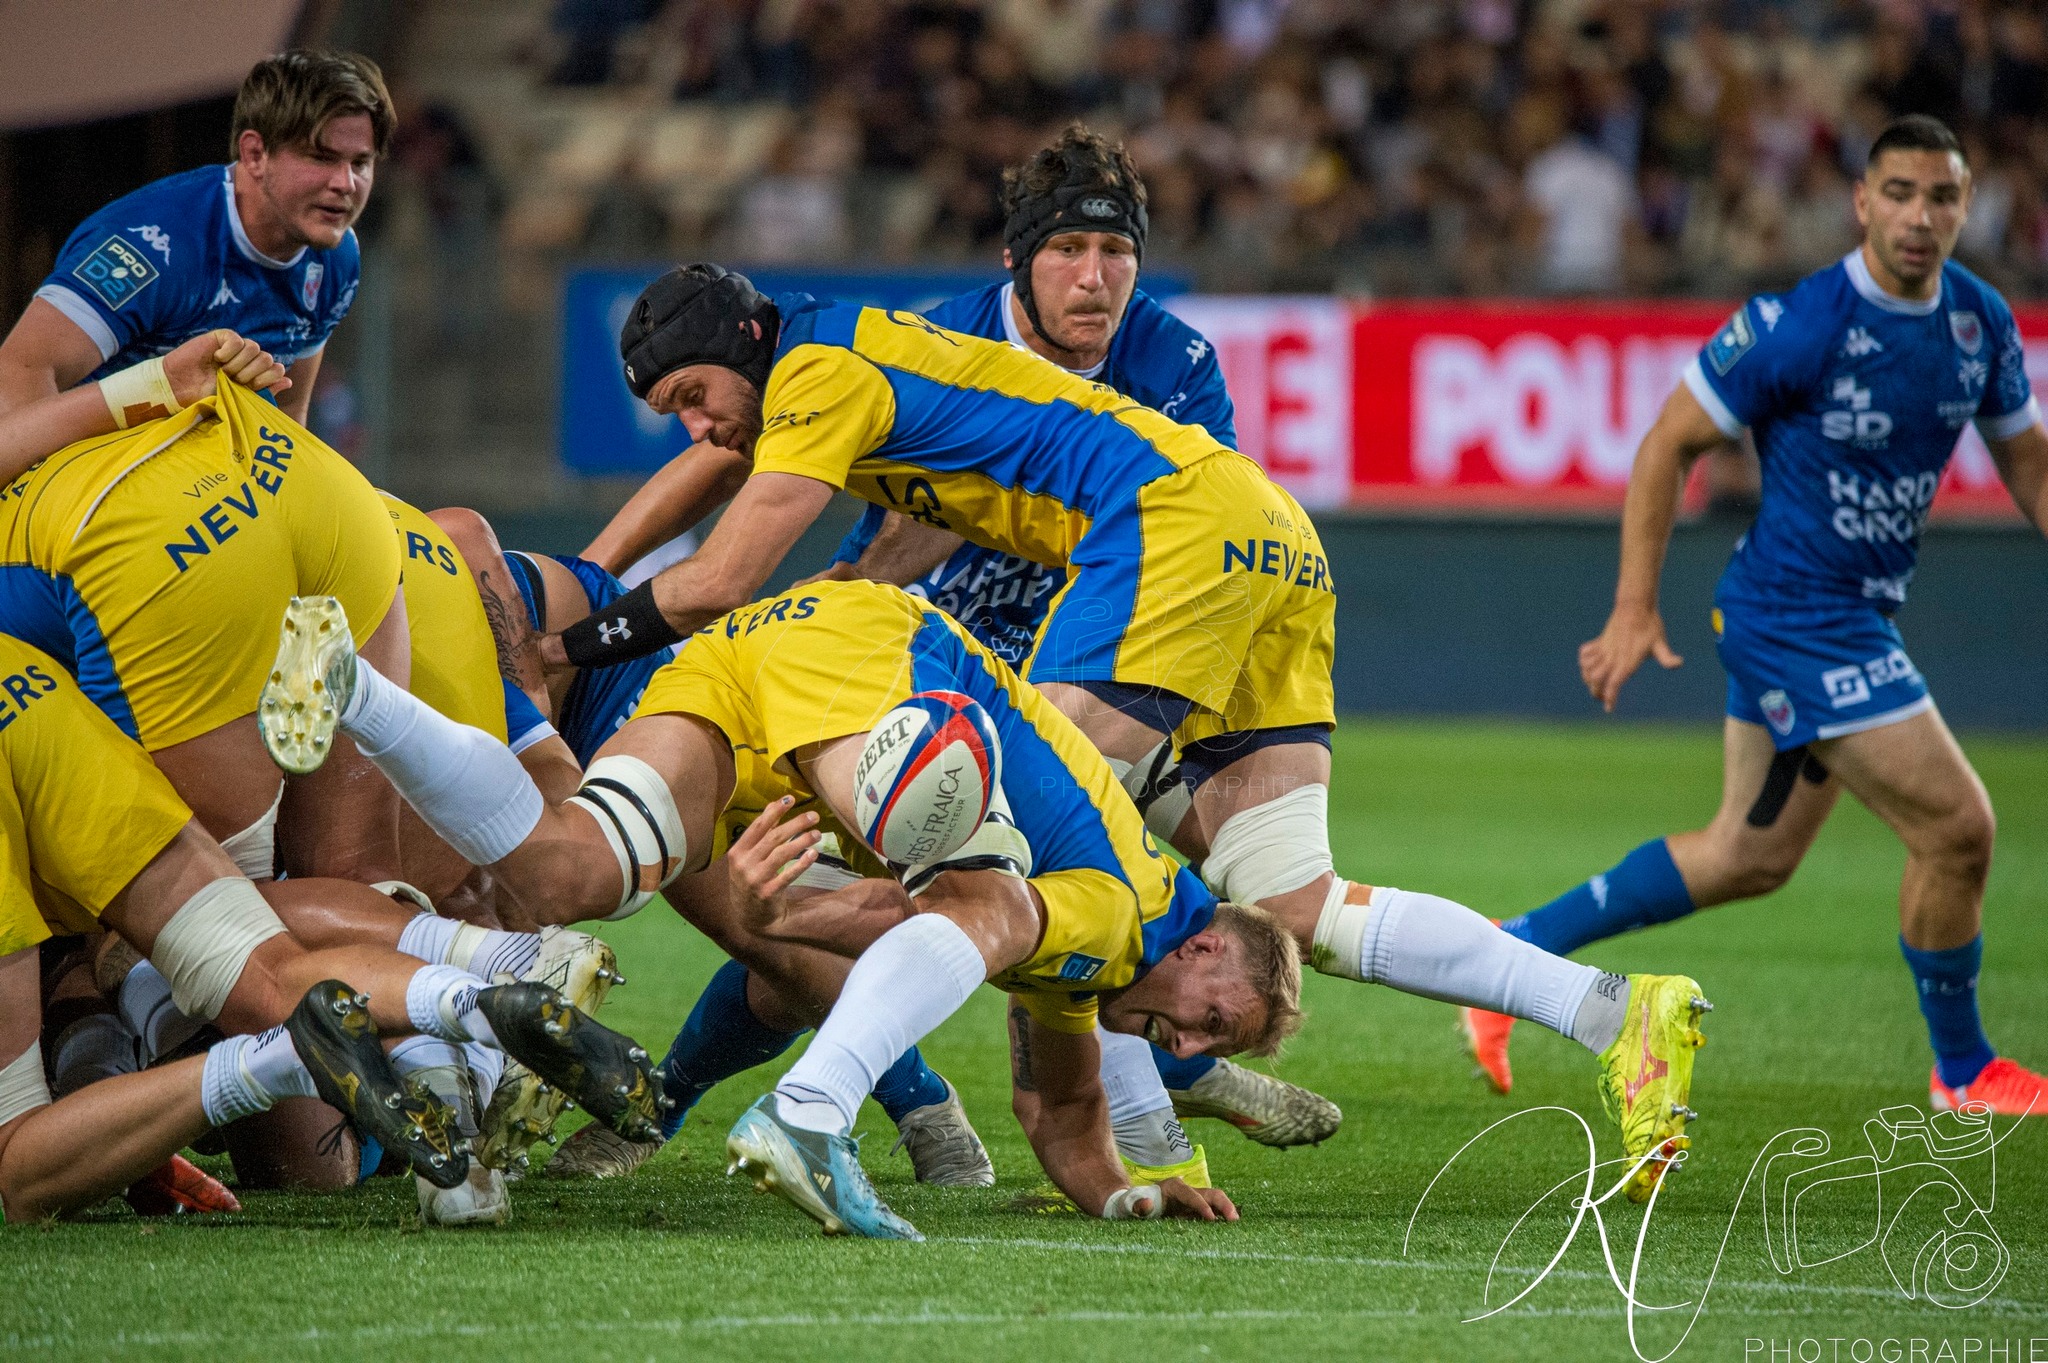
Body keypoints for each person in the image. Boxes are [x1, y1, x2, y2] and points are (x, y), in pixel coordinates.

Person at [261, 576, 1298, 1235]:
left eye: (1214, 1044)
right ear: (1207, 941)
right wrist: (801, 921)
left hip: (755, 653)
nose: (1193, 1039)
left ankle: (351, 689)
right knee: (967, 880)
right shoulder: (1122, 909)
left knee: (568, 871)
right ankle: (810, 1114)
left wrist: (1130, 1191)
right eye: (1218, 1017)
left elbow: (1064, 1117)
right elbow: (945, 914)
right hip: (879, 663)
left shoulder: (1090, 971)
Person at [1464, 116, 2048, 1117]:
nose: (1918, 217)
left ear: (1964, 206)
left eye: (1940, 197)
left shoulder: (1976, 321)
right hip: (1794, 618)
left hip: (1851, 615)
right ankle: (1961, 1070)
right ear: (1860, 202)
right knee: (1957, 828)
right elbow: (1664, 445)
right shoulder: (1799, 323)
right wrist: (1631, 607)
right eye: (1898, 193)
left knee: (1748, 856)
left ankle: (1501, 959)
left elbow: (2026, 459)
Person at [0, 630, 663, 1204]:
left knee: (30, 1148)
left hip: (173, 602)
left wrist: (107, 1112)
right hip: (35, 693)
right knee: (263, 961)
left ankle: (294, 1058)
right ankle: (483, 989)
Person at [0, 51, 391, 429]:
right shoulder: (152, 245)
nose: (345, 184)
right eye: (321, 158)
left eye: (360, 163)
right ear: (255, 154)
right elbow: (18, 377)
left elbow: (287, 412)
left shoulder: (337, 257)